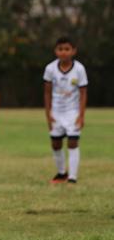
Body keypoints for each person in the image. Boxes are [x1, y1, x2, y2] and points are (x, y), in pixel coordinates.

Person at [43, 36, 87, 184]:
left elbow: (83, 93)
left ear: (73, 51)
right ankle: (62, 173)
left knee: (73, 142)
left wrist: (81, 115)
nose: (64, 52)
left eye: (67, 49)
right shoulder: (50, 69)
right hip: (56, 112)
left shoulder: (79, 69)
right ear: (56, 51)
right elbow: (47, 93)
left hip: (73, 112)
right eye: (60, 49)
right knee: (56, 143)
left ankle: (72, 177)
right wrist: (48, 114)